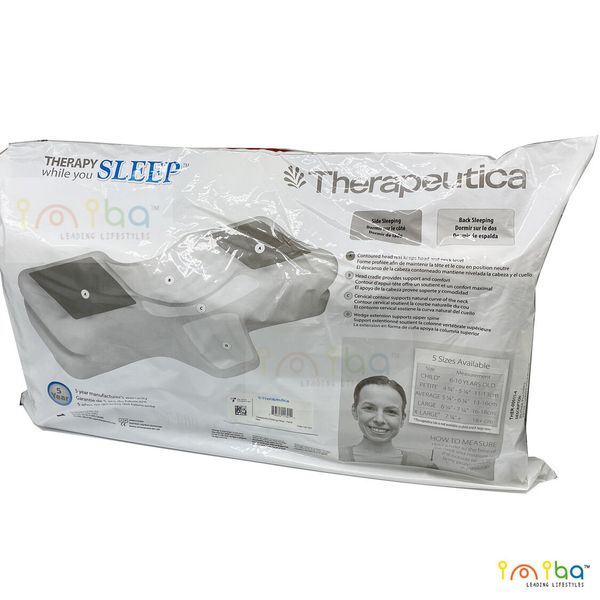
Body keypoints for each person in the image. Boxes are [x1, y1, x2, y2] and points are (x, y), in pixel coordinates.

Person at [339, 375, 437, 468]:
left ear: (402, 419)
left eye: (391, 412)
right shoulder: (336, 456)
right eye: (369, 408)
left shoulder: (423, 465)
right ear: (354, 411)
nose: (379, 420)